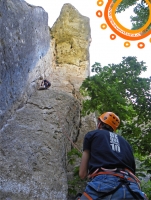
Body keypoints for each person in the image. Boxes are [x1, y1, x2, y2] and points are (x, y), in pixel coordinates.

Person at [78, 112, 147, 200]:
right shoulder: (126, 143)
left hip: (104, 183)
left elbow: (82, 174)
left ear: (99, 124)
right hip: (132, 187)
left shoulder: (92, 134)